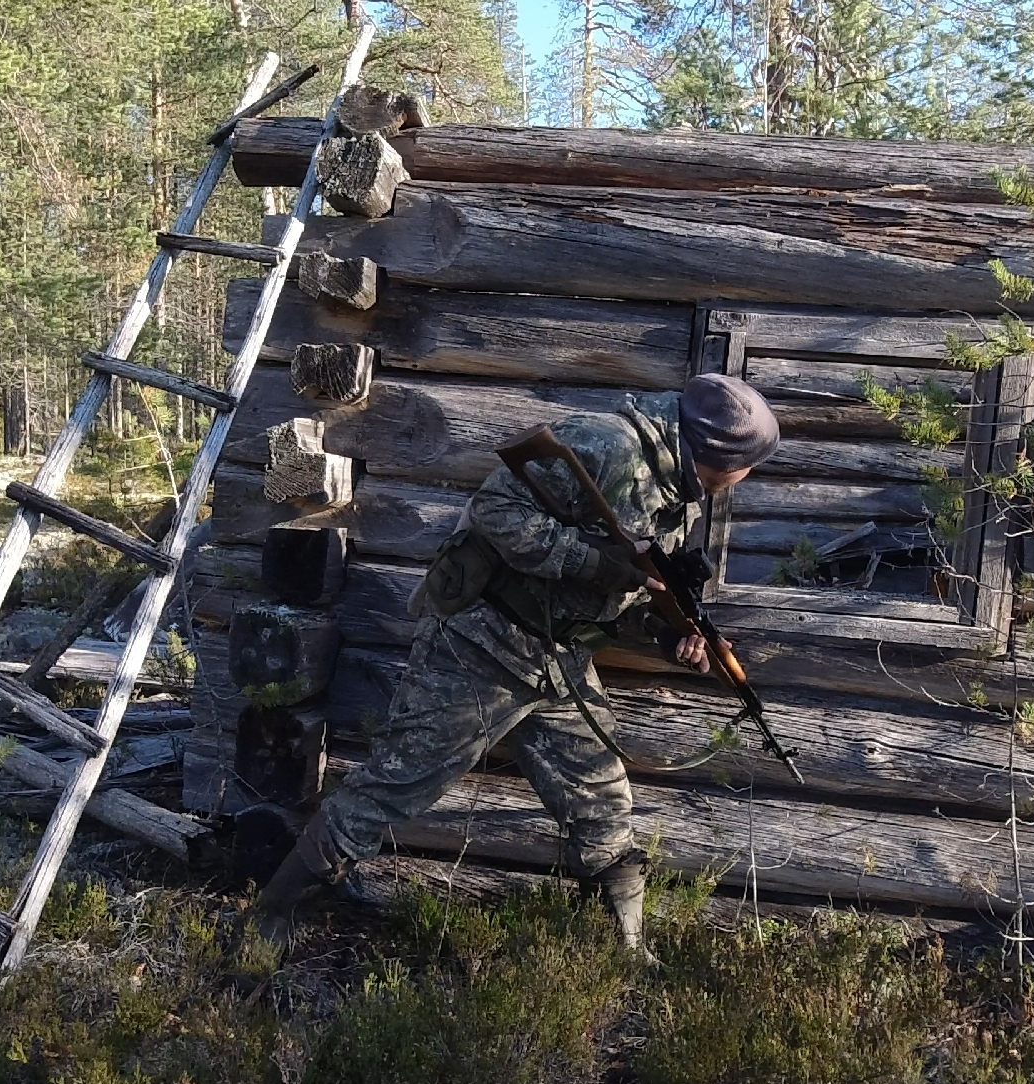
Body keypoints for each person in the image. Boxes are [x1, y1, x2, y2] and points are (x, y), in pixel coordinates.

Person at [245, 373, 781, 954]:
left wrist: (668, 633)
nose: (746, 480)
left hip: (558, 666)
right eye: (749, 466)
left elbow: (632, 589)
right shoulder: (606, 446)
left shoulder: (678, 494)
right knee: (392, 788)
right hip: (479, 648)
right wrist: (593, 565)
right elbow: (497, 512)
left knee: (602, 804)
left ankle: (625, 952)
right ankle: (268, 920)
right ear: (720, 455)